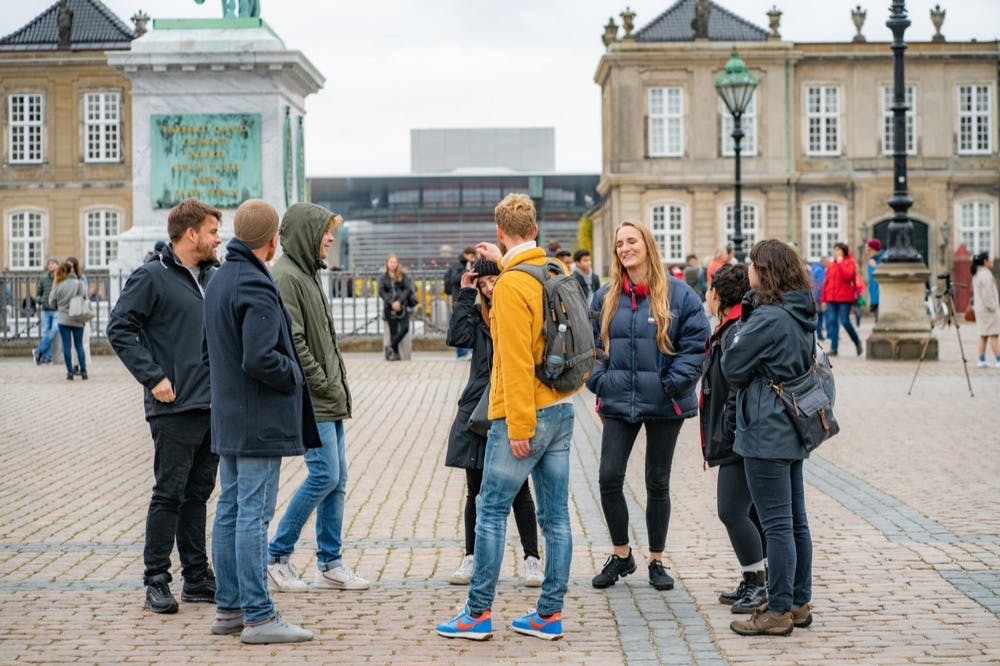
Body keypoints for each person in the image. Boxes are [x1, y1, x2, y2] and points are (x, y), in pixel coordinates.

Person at [436, 193, 577, 642]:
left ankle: (477, 614)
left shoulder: (514, 286)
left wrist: (518, 427)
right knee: (556, 518)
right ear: (534, 229)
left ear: (500, 233)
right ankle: (549, 614)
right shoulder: (554, 270)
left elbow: (513, 361)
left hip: (524, 412)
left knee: (490, 509)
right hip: (562, 406)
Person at [203, 199, 320, 644]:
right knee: (252, 515)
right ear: (272, 239)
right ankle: (258, 614)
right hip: (257, 421)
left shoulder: (218, 281)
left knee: (231, 510)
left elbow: (207, 352)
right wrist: (295, 374)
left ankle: (229, 608)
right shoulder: (255, 282)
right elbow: (259, 357)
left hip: (230, 417)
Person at [107, 199, 222, 614]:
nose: (217, 238)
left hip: (211, 405)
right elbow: (119, 327)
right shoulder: (152, 277)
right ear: (190, 233)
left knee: (198, 493)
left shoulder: (213, 276)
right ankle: (156, 577)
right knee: (168, 493)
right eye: (211, 231)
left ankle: (196, 576)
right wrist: (154, 377)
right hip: (173, 405)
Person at [586, 221, 710, 592]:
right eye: (619, 243)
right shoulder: (605, 296)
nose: (625, 248)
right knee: (609, 478)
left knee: (658, 482)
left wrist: (671, 383)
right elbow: (589, 347)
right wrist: (600, 380)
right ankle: (622, 555)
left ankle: (656, 559)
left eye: (631, 241)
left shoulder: (679, 295)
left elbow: (696, 343)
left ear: (647, 245)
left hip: (664, 403)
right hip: (618, 399)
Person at [265, 203, 369, 593]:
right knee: (325, 474)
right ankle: (277, 555)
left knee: (337, 479)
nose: (330, 239)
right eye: (326, 232)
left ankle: (330, 562)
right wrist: (323, 382)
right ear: (309, 233)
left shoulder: (307, 273)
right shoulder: (288, 277)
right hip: (314, 397)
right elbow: (294, 340)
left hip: (327, 397)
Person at [722, 238, 817, 637]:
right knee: (795, 522)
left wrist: (745, 321)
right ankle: (798, 601)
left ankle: (777, 610)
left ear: (767, 271)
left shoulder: (769, 317)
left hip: (765, 428)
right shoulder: (800, 311)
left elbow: (732, 366)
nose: (749, 272)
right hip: (793, 423)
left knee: (776, 525)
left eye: (753, 266)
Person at [444, 258, 543, 588]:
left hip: (509, 404)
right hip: (477, 408)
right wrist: (464, 294)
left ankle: (532, 559)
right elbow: (457, 338)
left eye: (493, 281)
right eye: (483, 283)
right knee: (475, 490)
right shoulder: (477, 314)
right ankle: (472, 556)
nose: (488, 288)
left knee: (518, 489)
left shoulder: (516, 311)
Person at [699, 263, 767, 614]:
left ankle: (758, 584)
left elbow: (731, 392)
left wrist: (724, 437)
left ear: (717, 295)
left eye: (708, 290)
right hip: (740, 436)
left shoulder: (733, 332)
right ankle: (754, 575)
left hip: (737, 438)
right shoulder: (732, 327)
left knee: (731, 511)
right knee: (749, 511)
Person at [48, 260, 88, 381]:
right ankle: (84, 371)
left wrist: (59, 307)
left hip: (63, 319)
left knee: (66, 346)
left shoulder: (58, 284)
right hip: (77, 317)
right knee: (79, 345)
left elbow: (51, 302)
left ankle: (70, 372)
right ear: (71, 270)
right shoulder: (79, 283)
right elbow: (84, 297)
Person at [820, 242, 863, 356]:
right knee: (832, 322)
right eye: (835, 250)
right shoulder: (831, 265)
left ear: (844, 251)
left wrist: (841, 264)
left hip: (844, 297)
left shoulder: (849, 262)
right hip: (832, 298)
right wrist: (823, 299)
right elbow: (826, 283)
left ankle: (857, 342)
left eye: (838, 250)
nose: (836, 252)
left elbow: (848, 276)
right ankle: (834, 348)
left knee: (845, 321)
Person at [379, 253, 415, 361]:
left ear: (397, 263)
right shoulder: (383, 277)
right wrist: (391, 302)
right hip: (389, 307)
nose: (393, 264)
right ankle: (395, 353)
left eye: (395, 262)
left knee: (405, 327)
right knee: (393, 330)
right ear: (387, 263)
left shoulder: (403, 275)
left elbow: (408, 289)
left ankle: (390, 347)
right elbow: (381, 291)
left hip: (402, 306)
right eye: (391, 262)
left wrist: (399, 301)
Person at [444, 247, 477, 359]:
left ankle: (467, 352)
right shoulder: (458, 265)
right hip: (458, 298)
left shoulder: (471, 264)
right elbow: (454, 279)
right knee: (460, 323)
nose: (473, 258)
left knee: (469, 323)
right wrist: (466, 271)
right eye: (471, 256)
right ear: (466, 255)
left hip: (469, 298)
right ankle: (461, 353)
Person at [971, 251, 1000, 368]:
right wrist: (994, 307)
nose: (992, 261)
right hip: (988, 310)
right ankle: (999, 360)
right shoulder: (986, 275)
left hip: (981, 309)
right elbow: (987, 295)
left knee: (983, 335)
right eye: (990, 259)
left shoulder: (977, 274)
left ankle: (981, 359)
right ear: (985, 261)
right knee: (994, 334)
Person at [33, 257, 60, 365]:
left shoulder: (60, 278)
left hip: (56, 309)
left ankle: (38, 351)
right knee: (45, 332)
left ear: (57, 265)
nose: (51, 265)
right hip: (45, 309)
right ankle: (47, 357)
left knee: (54, 330)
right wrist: (41, 300)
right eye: (49, 264)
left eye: (53, 263)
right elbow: (38, 293)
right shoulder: (44, 279)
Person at [809, 257, 828, 341]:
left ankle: (819, 334)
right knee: (820, 316)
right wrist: (822, 298)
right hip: (819, 297)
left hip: (814, 296)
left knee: (817, 316)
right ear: (823, 262)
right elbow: (821, 285)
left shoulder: (814, 269)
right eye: (827, 262)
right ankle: (820, 335)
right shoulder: (820, 270)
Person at [864, 239, 883, 322]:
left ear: (875, 249)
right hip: (875, 297)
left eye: (869, 250)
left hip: (882, 297)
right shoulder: (872, 260)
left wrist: (876, 266)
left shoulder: (883, 259)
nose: (867, 252)